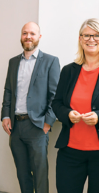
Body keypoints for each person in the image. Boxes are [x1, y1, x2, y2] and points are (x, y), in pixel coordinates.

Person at [1, 22, 60, 193]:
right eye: (25, 33)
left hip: (37, 126)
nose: (28, 37)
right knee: (22, 173)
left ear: (39, 37)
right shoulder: (13, 62)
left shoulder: (50, 61)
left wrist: (47, 123)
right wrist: (5, 115)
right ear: (21, 36)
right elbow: (8, 90)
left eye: (32, 33)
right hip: (16, 127)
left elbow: (55, 96)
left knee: (40, 173)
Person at [52, 18, 99, 193]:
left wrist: (98, 116)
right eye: (87, 35)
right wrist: (68, 114)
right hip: (70, 152)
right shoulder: (69, 71)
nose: (91, 39)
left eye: (96, 35)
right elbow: (56, 103)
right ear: (80, 39)